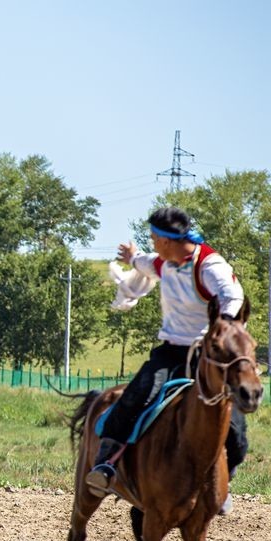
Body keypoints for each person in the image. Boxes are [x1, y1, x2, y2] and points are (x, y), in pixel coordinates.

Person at [86, 206, 247, 510]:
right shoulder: (165, 262)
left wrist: (223, 325)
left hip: (206, 355)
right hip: (171, 351)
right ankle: (105, 464)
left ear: (165, 240)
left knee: (235, 428)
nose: (152, 243)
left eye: (153, 238)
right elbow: (145, 264)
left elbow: (232, 295)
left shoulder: (209, 265)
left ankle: (224, 481)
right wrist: (132, 257)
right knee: (134, 397)